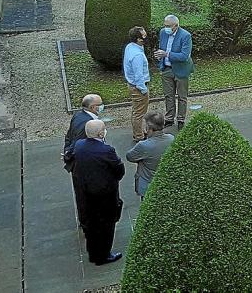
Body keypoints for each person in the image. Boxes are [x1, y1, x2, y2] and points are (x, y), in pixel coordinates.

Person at [72, 120, 125, 266]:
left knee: (93, 224)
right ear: (101, 133)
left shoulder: (79, 145)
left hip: (86, 193)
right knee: (107, 226)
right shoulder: (106, 150)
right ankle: (104, 256)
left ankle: (93, 252)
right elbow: (119, 169)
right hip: (104, 195)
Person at [63, 94, 104, 228]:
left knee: (82, 194)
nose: (103, 106)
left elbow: (68, 136)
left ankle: (85, 219)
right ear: (93, 107)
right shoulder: (86, 124)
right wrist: (68, 154)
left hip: (79, 164)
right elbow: (76, 143)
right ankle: (87, 221)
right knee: (85, 194)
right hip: (84, 166)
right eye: (100, 104)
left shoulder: (78, 115)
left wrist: (67, 150)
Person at [154, 14, 194, 131]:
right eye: (164, 25)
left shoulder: (185, 36)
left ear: (175, 26)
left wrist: (166, 54)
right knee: (168, 96)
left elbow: (184, 56)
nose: (165, 28)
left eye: (168, 26)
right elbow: (162, 48)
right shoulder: (163, 32)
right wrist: (159, 56)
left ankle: (181, 119)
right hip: (166, 69)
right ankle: (169, 118)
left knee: (182, 97)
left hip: (181, 71)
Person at [126, 112, 175, 200]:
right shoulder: (171, 138)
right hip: (166, 181)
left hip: (148, 183)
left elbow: (129, 156)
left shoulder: (144, 145)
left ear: (148, 128)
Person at [123, 26, 150, 143]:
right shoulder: (137, 55)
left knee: (136, 111)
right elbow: (138, 75)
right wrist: (144, 90)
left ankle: (137, 133)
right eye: (144, 36)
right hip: (138, 87)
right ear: (138, 39)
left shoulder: (130, 47)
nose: (146, 37)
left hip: (132, 84)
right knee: (139, 113)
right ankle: (139, 136)